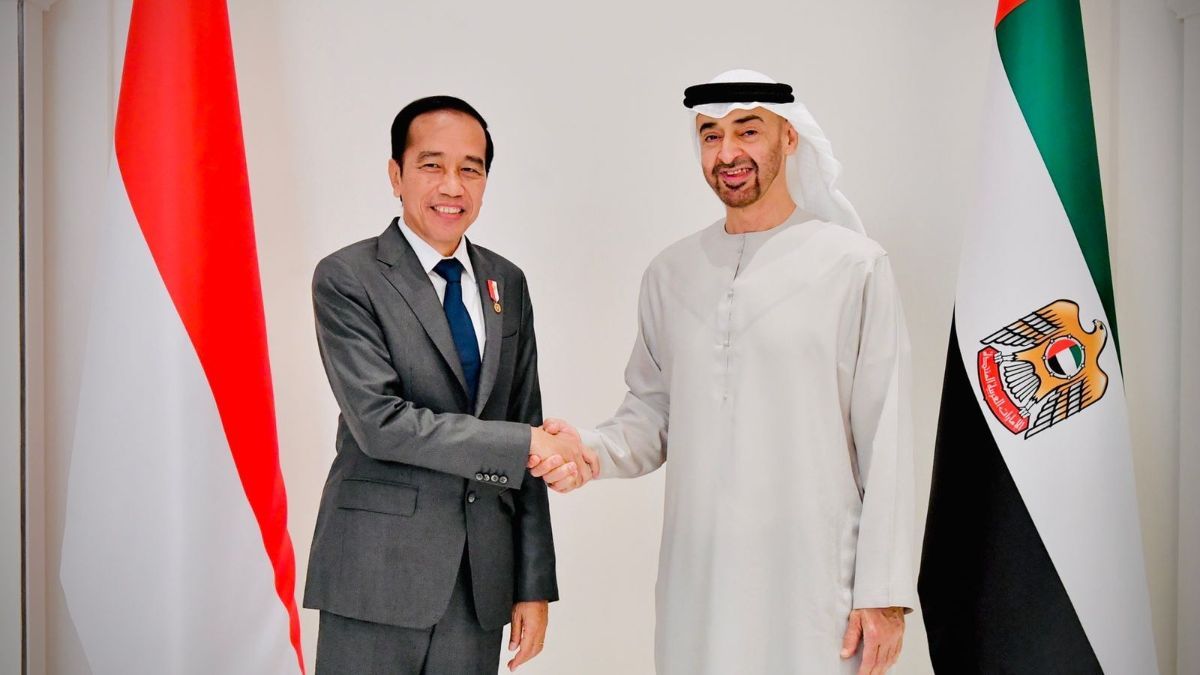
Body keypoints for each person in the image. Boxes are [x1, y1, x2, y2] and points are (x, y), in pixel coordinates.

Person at [534, 70, 916, 674]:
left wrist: (884, 594)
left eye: (747, 130)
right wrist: (590, 450)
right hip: (699, 583)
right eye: (710, 135)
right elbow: (653, 414)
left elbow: (886, 436)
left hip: (817, 588)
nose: (728, 152)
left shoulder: (854, 266)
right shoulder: (671, 272)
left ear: (789, 138)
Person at [303, 95, 596, 674]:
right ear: (396, 175)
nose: (452, 186)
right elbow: (380, 423)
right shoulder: (347, 277)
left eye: (471, 168)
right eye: (431, 165)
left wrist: (532, 583)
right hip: (376, 575)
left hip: (479, 583)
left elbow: (524, 417)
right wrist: (524, 444)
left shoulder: (505, 282)